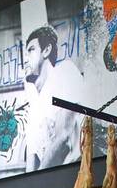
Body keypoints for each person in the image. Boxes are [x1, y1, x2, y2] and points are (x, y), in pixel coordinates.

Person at [22, 23, 86, 171]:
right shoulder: (33, 109)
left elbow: (63, 136)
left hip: (79, 171)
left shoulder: (64, 72)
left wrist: (38, 181)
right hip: (52, 183)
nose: (25, 59)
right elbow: (30, 168)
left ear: (46, 50)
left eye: (31, 50)